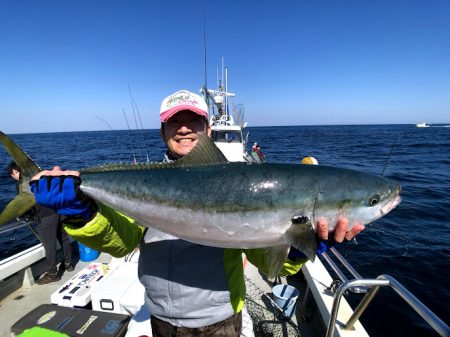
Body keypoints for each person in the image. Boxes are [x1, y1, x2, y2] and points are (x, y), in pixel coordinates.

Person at [29, 90, 364, 336]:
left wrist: (298, 248)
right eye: (175, 122)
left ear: (207, 129)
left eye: (193, 121)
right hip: (160, 317)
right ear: (163, 132)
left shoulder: (241, 182)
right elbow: (122, 241)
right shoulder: (144, 183)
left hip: (217, 321)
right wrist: (81, 214)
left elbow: (266, 261)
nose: (185, 128)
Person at [7, 161, 74, 284]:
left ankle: (53, 274)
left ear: (16, 172)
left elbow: (24, 204)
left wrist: (22, 215)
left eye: (12, 174)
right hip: (60, 210)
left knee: (49, 245)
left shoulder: (22, 183)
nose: (13, 177)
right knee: (63, 238)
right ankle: (69, 264)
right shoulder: (40, 175)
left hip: (46, 216)